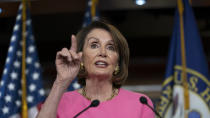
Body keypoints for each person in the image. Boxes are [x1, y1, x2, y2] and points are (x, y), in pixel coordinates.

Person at [36, 20, 155, 118]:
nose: (102, 53)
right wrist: (61, 82)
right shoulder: (60, 102)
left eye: (111, 47)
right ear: (80, 56)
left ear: (118, 62)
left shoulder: (140, 103)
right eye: (94, 45)